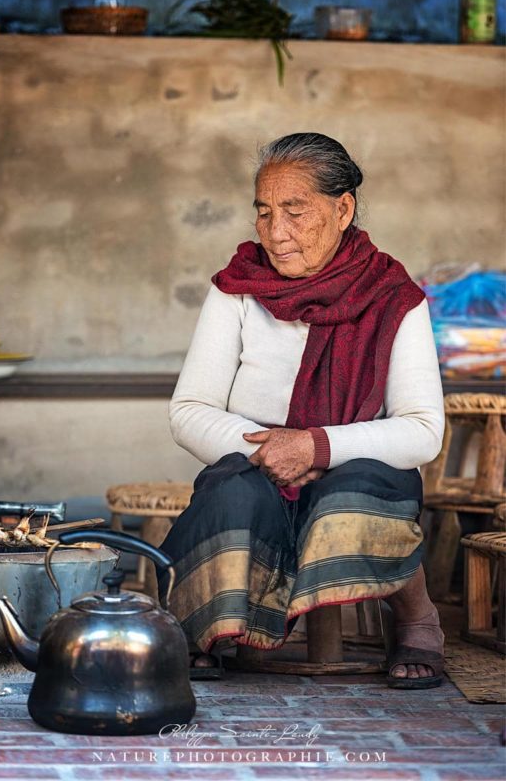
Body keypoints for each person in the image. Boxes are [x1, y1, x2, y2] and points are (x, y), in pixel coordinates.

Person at [157, 132, 445, 689]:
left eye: (295, 211)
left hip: (352, 461)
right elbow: (190, 411)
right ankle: (210, 621)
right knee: (232, 489)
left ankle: (414, 616)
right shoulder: (236, 289)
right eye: (263, 213)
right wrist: (273, 451)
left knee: (356, 488)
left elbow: (423, 431)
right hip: (256, 461)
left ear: (343, 209)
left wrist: (318, 446)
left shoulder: (393, 296)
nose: (275, 233)